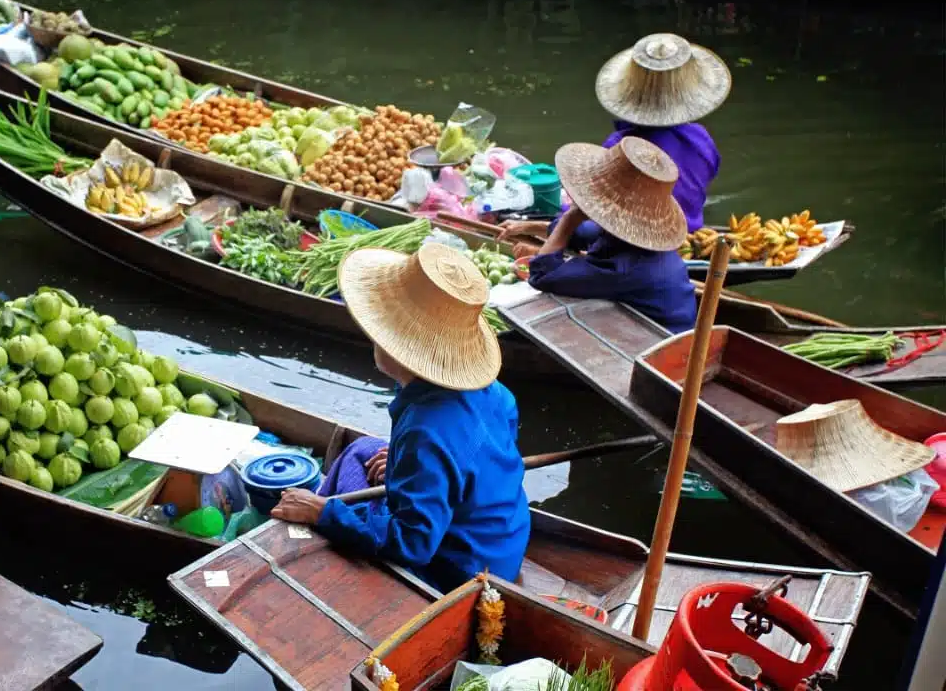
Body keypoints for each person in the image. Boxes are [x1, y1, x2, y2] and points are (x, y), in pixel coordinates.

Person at [270, 242, 531, 592]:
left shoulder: (427, 432)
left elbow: (414, 544)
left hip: (462, 570)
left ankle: (308, 529)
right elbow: (475, 459)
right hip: (504, 537)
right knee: (362, 450)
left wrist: (323, 513)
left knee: (340, 491)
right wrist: (398, 461)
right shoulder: (496, 393)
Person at [499, 136, 696, 334]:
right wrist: (526, 227)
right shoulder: (628, 236)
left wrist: (570, 218)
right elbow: (584, 233)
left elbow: (542, 274)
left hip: (658, 341)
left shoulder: (623, 269)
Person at [566, 32, 731, 238]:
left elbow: (596, 207)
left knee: (568, 222)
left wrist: (564, 213)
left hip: (638, 241)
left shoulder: (620, 146)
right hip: (691, 232)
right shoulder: (701, 138)